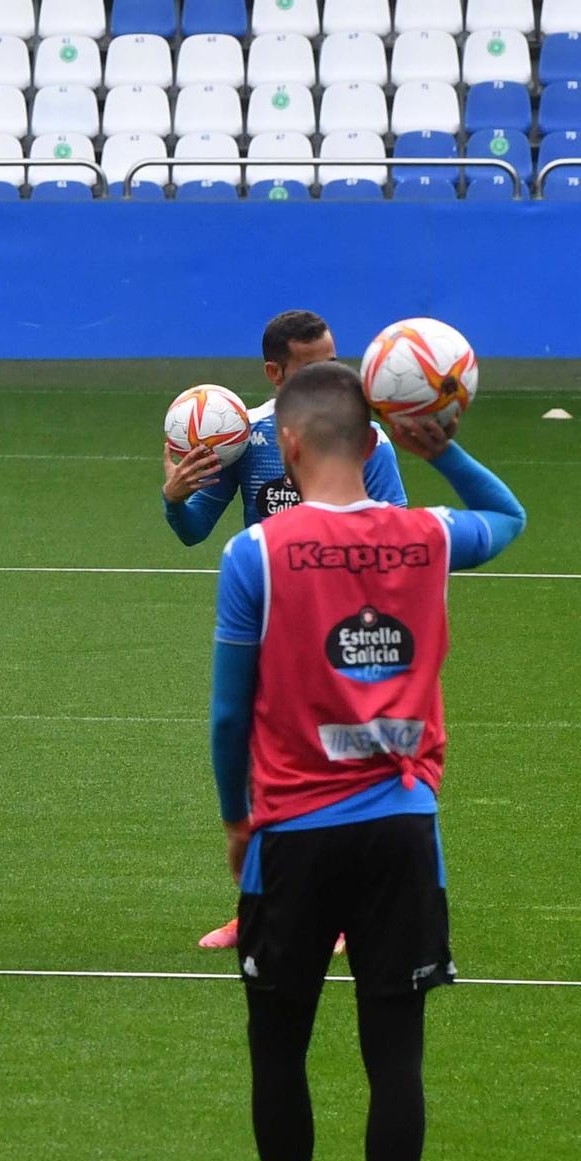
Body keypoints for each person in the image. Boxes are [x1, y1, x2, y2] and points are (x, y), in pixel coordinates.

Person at [209, 363, 525, 1161]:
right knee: (396, 1052)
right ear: (378, 444)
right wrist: (449, 450)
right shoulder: (425, 533)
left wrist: (237, 818)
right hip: (403, 830)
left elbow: (230, 714)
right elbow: (509, 520)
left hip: (293, 836)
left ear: (291, 446)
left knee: (279, 1051)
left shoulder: (258, 553)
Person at [162, 309, 408, 951]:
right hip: (270, 632)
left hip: (348, 633)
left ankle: (346, 916)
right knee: (261, 772)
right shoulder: (245, 437)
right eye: (313, 365)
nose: (333, 374)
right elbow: (193, 531)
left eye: (334, 359)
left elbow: (402, 535)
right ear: (275, 373)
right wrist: (173, 495)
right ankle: (257, 909)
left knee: (343, 769)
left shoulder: (365, 439)